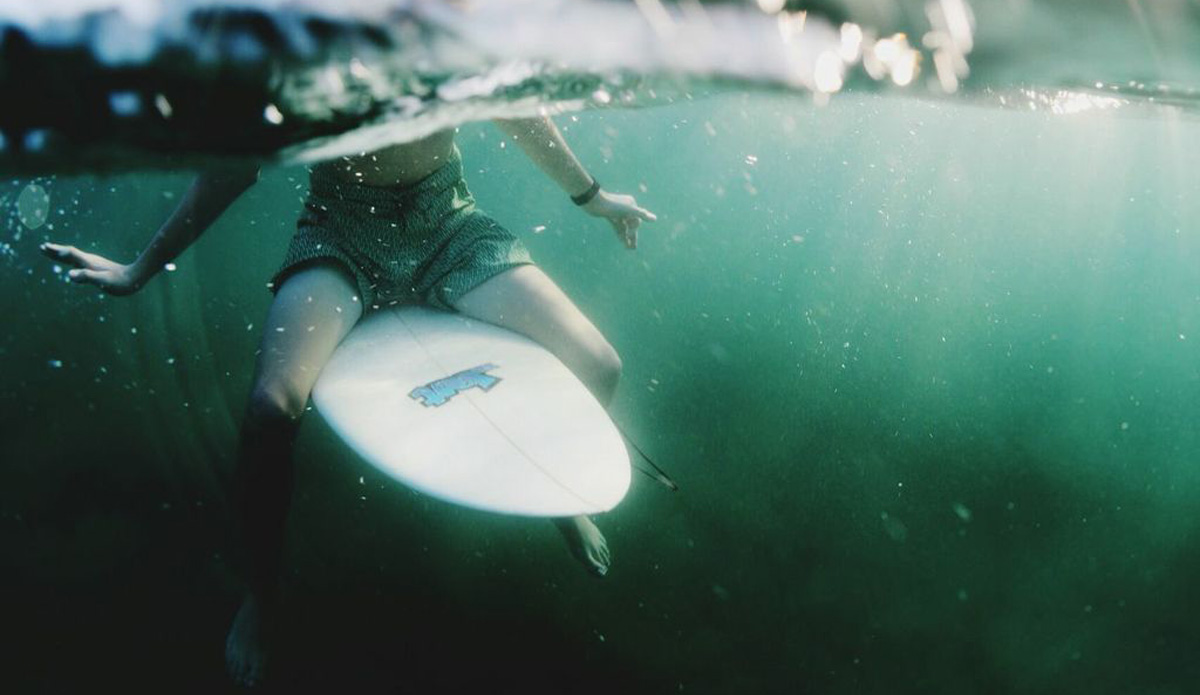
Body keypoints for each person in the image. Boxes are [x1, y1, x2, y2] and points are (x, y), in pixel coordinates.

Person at [40, 116, 655, 687]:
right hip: (341, 232)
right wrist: (138, 270)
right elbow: (235, 166)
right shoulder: (297, 39)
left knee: (600, 366)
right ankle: (262, 593)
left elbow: (516, 111)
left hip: (449, 222)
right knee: (269, 411)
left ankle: (557, 498)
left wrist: (593, 198)